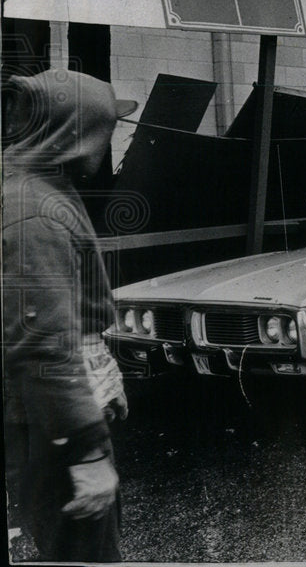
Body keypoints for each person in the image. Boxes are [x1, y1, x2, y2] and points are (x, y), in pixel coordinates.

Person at [3, 69, 134, 562]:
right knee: (87, 554)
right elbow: (44, 345)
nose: (111, 141)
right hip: (48, 423)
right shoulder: (34, 210)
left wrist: (102, 373)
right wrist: (89, 451)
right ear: (79, 133)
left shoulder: (36, 183)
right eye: (108, 129)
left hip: (49, 410)